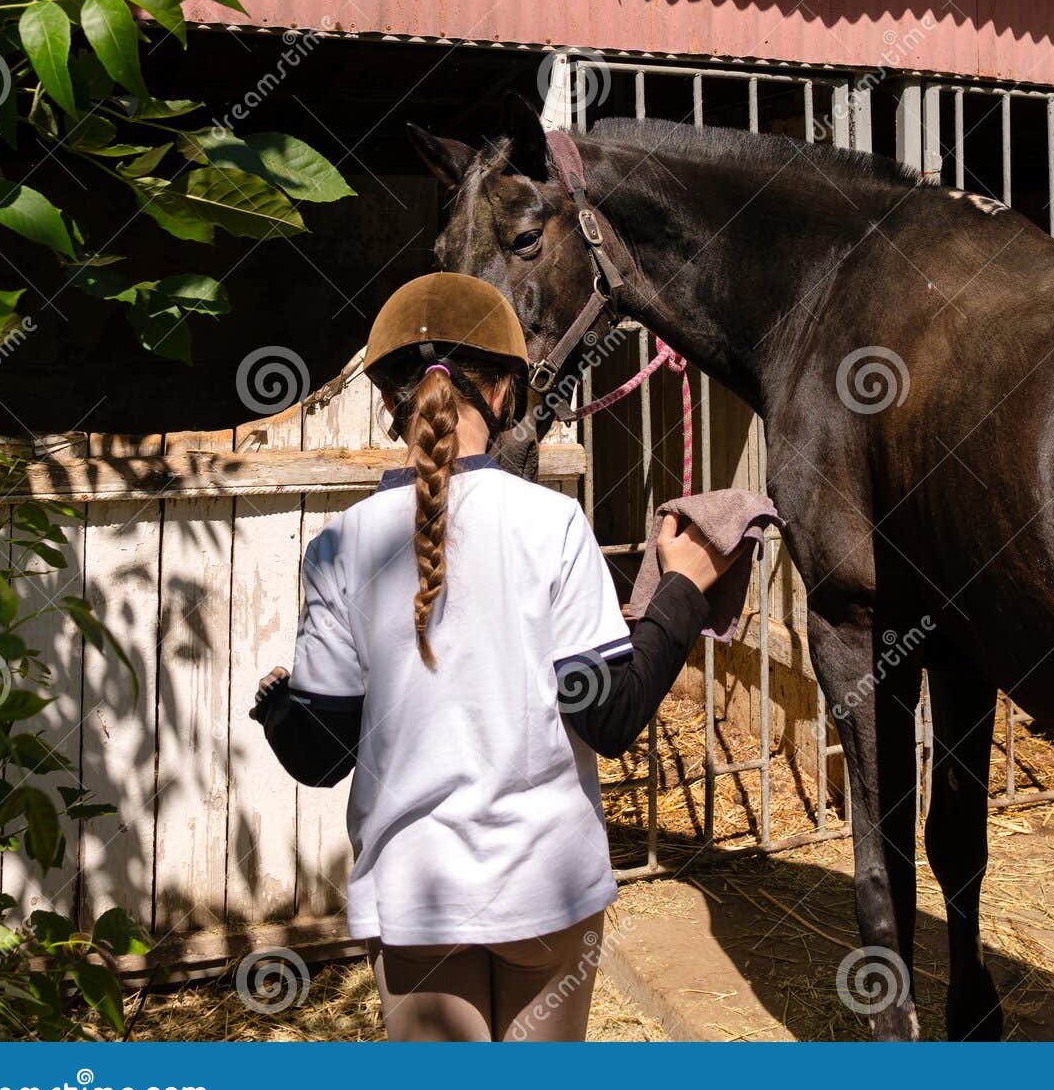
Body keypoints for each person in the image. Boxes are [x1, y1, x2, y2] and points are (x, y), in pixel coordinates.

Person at [249, 273, 741, 1041]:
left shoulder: (340, 545)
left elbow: (320, 755)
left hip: (418, 901)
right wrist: (683, 588)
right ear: (508, 391)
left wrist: (278, 705)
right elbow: (607, 715)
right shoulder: (555, 524)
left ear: (388, 402)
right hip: (546, 889)